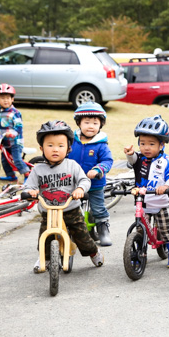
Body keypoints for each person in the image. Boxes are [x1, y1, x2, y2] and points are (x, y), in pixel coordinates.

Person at [24, 120, 104, 273]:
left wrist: (80, 189)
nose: (55, 149)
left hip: (70, 209)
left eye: (61, 146)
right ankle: (45, 258)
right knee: (45, 237)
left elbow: (84, 180)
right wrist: (31, 192)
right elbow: (30, 186)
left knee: (82, 235)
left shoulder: (72, 165)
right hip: (49, 211)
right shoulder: (38, 169)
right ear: (41, 148)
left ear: (68, 149)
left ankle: (94, 252)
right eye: (50, 145)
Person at [124, 115, 169, 267]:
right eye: (142, 144)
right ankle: (138, 254)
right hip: (143, 203)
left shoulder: (166, 161)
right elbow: (132, 160)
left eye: (151, 144)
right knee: (140, 230)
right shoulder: (140, 158)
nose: (146, 148)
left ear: (161, 145)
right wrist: (129, 154)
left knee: (166, 230)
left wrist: (167, 187)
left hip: (160, 202)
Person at [68, 102, 114, 246]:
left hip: (94, 184)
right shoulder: (71, 141)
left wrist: (98, 170)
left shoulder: (101, 144)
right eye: (86, 122)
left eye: (95, 123)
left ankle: (103, 229)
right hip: (74, 184)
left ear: (100, 125)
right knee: (70, 207)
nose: (90, 126)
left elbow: (107, 160)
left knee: (98, 208)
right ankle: (71, 229)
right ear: (79, 123)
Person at [0, 83, 29, 183]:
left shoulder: (15, 112)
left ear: (12, 99)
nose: (5, 100)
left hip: (15, 142)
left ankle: (27, 174)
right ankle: (11, 176)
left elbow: (18, 126)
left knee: (17, 160)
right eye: (2, 98)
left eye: (8, 98)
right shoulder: (0, 112)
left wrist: (13, 133)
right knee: (5, 160)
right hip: (5, 142)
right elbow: (4, 125)